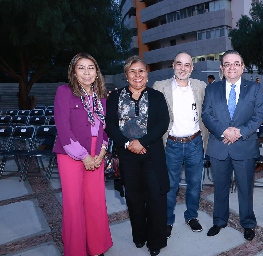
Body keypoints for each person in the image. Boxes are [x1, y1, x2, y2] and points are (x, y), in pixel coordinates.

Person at [105, 56, 170, 256]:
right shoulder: (115, 97)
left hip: (152, 154)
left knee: (155, 198)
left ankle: (155, 241)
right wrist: (128, 144)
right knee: (134, 198)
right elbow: (111, 126)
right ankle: (139, 236)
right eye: (132, 71)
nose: (137, 75)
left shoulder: (157, 96)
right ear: (126, 75)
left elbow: (162, 123)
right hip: (127, 156)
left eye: (141, 71)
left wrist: (142, 142)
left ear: (147, 75)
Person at [202, 50, 263, 241]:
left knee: (245, 189)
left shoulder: (254, 89)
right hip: (219, 146)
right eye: (227, 64)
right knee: (220, 187)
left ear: (243, 67)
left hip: (244, 146)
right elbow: (207, 115)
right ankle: (219, 221)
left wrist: (240, 132)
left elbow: (259, 115)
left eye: (236, 63)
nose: (232, 67)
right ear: (221, 68)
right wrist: (224, 131)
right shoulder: (212, 88)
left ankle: (247, 223)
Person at [53, 53, 112, 256]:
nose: (86, 72)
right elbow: (63, 128)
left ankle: (96, 247)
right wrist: (83, 156)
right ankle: (75, 250)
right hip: (71, 154)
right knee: (73, 205)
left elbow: (105, 129)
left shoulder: (101, 96)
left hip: (97, 154)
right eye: (81, 67)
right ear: (73, 71)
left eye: (91, 68)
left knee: (96, 201)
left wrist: (103, 151)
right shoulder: (64, 92)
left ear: (97, 72)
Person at [153, 52, 208, 238]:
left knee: (194, 184)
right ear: (173, 65)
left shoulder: (201, 87)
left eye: (187, 65)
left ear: (192, 68)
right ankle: (168, 220)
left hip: (195, 143)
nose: (183, 68)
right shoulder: (160, 87)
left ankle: (191, 216)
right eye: (179, 64)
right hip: (171, 144)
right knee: (170, 185)